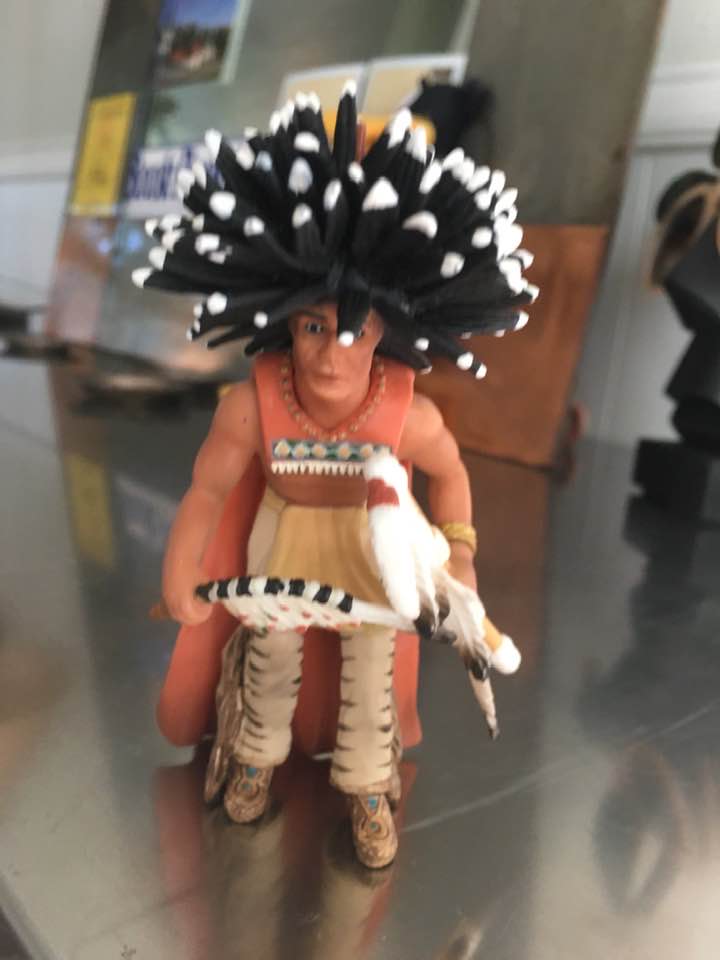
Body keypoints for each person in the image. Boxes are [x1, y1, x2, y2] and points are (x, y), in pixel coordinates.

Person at [134, 85, 536, 867]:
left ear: (387, 331)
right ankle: (254, 757)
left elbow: (451, 473)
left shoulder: (408, 414)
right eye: (313, 326)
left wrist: (460, 555)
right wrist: (181, 565)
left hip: (372, 550)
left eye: (355, 331)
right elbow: (209, 489)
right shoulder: (251, 405)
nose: (330, 354)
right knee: (269, 655)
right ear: (286, 318)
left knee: (371, 668)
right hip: (281, 535)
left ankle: (367, 786)